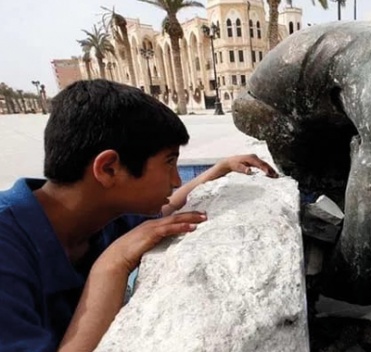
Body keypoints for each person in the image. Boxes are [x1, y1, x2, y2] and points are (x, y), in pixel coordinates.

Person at [0, 79, 278, 351]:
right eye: (169, 162)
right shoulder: (7, 252)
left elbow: (167, 210)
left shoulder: (96, 215)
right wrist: (111, 266)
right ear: (108, 168)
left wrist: (219, 169)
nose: (177, 180)